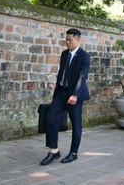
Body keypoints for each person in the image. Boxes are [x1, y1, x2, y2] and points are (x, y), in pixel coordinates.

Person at [40, 28, 90, 166]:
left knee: (76, 124)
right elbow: (62, 72)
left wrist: (75, 94)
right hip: (61, 93)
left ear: (77, 40)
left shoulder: (84, 56)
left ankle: (73, 153)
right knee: (50, 119)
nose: (67, 42)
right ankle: (54, 151)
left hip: (75, 95)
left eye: (70, 40)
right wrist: (57, 88)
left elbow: (82, 77)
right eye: (66, 40)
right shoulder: (64, 54)